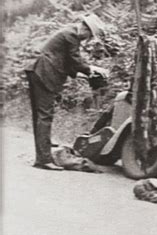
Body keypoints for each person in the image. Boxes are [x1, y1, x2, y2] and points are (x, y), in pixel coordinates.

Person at [25, 14, 108, 170]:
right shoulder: (71, 35)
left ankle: (43, 153)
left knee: (40, 115)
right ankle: (44, 159)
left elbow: (69, 64)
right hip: (44, 72)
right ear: (85, 28)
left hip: (37, 70)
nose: (87, 39)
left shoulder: (69, 33)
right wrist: (93, 69)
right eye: (89, 35)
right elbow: (75, 60)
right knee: (45, 116)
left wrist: (85, 73)